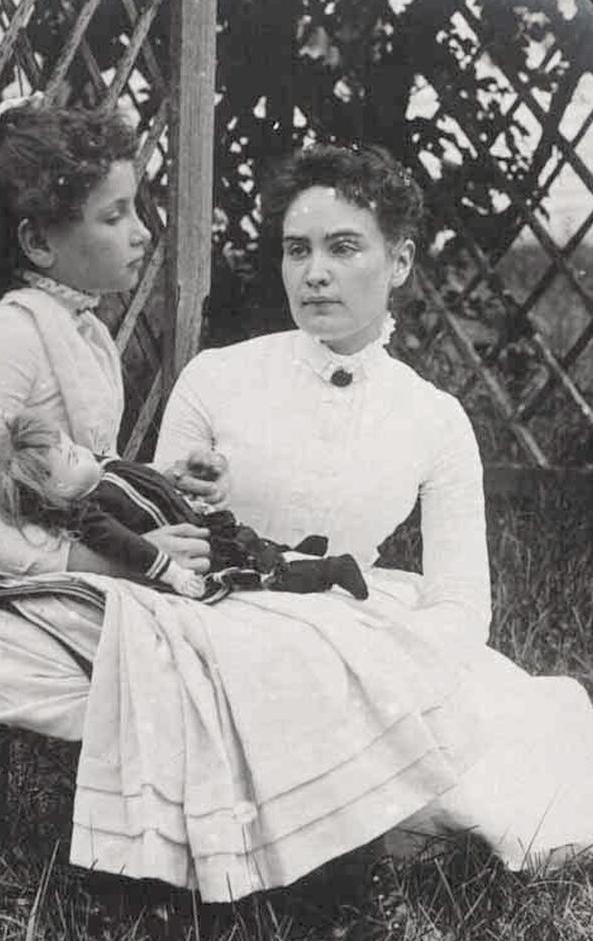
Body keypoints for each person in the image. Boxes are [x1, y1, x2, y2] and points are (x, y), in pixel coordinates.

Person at [146, 142, 593, 888]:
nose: (314, 271)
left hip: (362, 630)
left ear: (401, 263)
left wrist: (395, 674)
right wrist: (182, 491)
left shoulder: (434, 417)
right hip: (218, 625)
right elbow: (157, 532)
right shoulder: (217, 378)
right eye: (297, 250)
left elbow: (459, 601)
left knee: (511, 771)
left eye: (343, 247)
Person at [0, 95, 225, 739]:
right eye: (115, 215)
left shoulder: (77, 329)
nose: (143, 232)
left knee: (250, 625)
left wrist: (159, 483)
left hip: (65, 589)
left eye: (136, 209)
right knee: (225, 657)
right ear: (37, 242)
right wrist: (115, 562)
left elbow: (69, 475)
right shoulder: (3, 338)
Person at [0, 412, 370, 601]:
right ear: (57, 493)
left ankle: (296, 550)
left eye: (72, 446)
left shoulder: (105, 468)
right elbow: (129, 546)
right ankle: (329, 570)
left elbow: (146, 480)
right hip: (202, 551)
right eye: (70, 460)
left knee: (257, 543)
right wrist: (172, 574)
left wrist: (175, 476)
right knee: (264, 573)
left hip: (204, 523)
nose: (81, 454)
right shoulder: (90, 515)